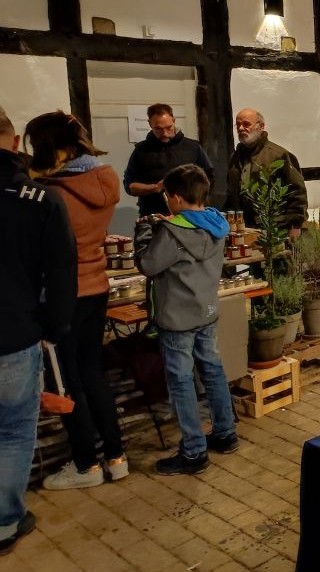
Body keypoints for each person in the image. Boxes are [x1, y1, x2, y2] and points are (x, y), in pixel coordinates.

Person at [24, 111, 127, 490]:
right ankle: (116, 457)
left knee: (68, 382)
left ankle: (86, 465)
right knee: (91, 372)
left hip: (62, 293)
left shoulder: (50, 193)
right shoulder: (102, 178)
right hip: (96, 287)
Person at [0, 109, 76, 556]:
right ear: (14, 143)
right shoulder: (38, 198)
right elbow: (60, 271)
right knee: (12, 431)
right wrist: (54, 327)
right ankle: (7, 521)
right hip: (14, 333)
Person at [135, 164, 238, 475]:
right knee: (213, 371)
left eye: (167, 196)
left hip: (177, 318)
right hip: (207, 311)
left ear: (176, 198)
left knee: (180, 382)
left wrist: (143, 232)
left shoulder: (170, 230)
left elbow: (148, 265)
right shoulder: (218, 222)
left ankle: (193, 452)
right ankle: (225, 433)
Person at [225, 108, 307, 238]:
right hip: (244, 228)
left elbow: (297, 192)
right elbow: (231, 193)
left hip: (275, 227)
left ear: (261, 127)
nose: (240, 128)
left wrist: (295, 225)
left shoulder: (278, 155)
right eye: (238, 125)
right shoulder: (236, 157)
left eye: (246, 124)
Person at [123, 103, 215, 217]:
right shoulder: (140, 151)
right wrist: (155, 188)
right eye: (158, 129)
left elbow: (210, 178)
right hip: (153, 216)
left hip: (191, 217)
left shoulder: (193, 147)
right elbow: (129, 186)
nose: (165, 134)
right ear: (150, 124)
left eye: (168, 127)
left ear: (174, 120)